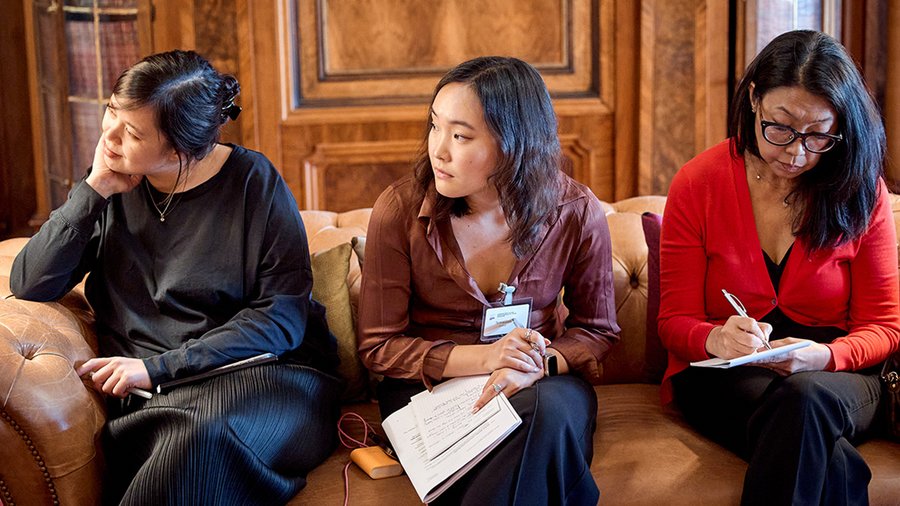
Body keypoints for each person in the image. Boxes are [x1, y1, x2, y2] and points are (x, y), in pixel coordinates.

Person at [10, 50, 341, 505]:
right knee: (188, 434)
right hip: (158, 401)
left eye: (131, 131)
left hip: (268, 381)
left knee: (199, 435)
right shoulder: (110, 182)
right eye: (111, 110)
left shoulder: (253, 182)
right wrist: (94, 191)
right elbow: (30, 283)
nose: (109, 136)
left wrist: (156, 367)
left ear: (180, 148)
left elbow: (280, 319)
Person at [357, 56, 619, 505]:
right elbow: (380, 347)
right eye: (435, 126)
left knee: (547, 413)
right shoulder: (400, 209)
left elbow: (597, 331)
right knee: (540, 434)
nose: (439, 149)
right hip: (428, 389)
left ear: (513, 144)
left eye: (459, 136)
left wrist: (538, 365)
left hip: (538, 383)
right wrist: (489, 358)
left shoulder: (575, 210)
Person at [658, 30, 900, 505]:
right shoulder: (698, 182)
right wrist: (715, 337)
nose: (795, 152)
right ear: (753, 100)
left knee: (806, 398)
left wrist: (823, 357)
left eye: (817, 135)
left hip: (837, 373)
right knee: (833, 461)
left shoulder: (859, 189)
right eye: (781, 128)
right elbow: (672, 322)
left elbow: (885, 329)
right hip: (725, 373)